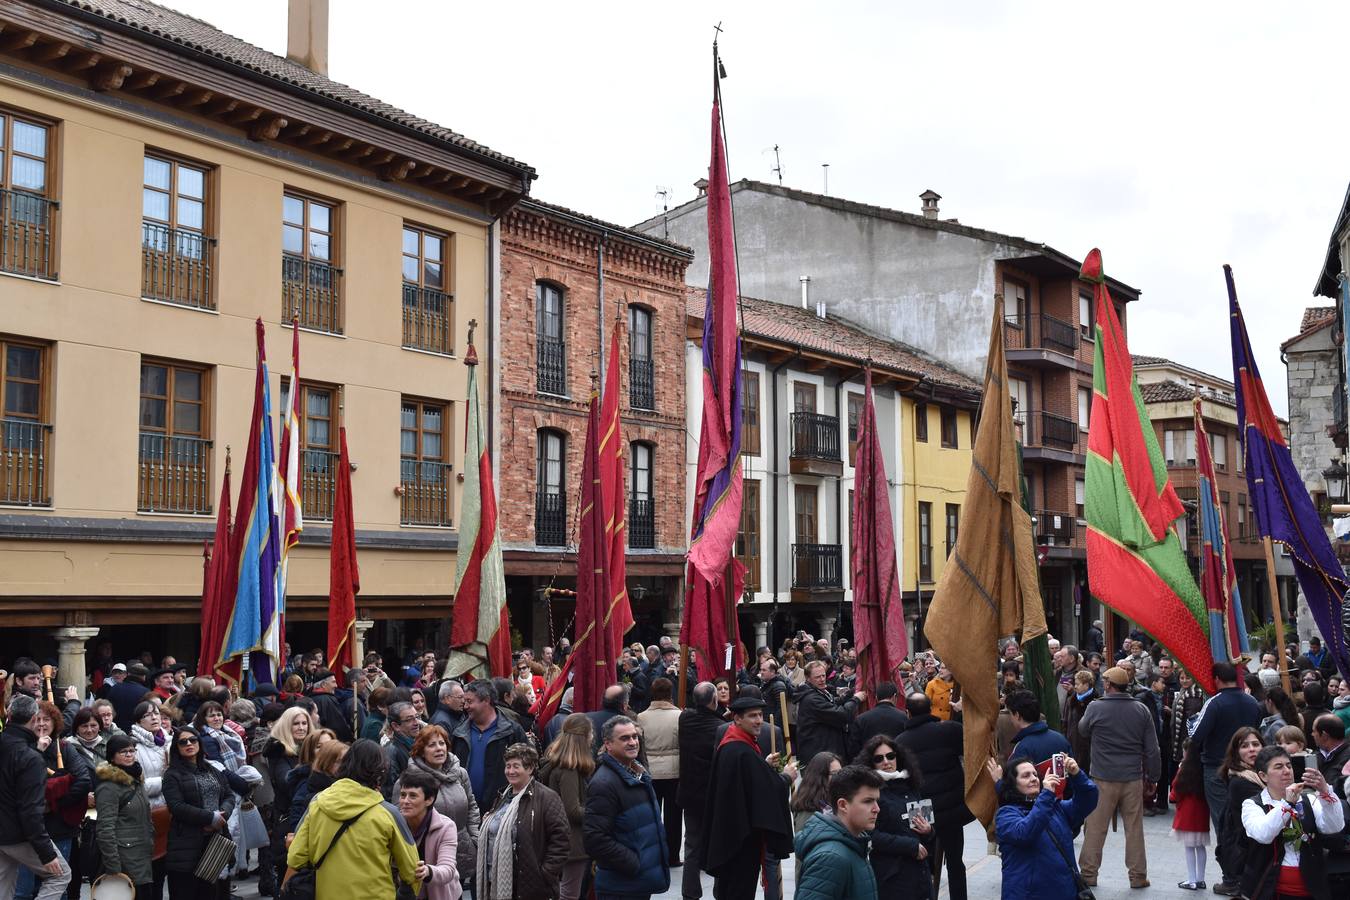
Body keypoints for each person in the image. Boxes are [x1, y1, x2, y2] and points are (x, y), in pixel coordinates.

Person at [284, 738, 421, 899]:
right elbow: (412, 870)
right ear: (380, 772)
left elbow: (296, 857)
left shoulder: (318, 804)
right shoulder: (388, 813)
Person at [1074, 665, 1160, 889]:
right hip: (1132, 777)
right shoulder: (1141, 709)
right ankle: (1138, 876)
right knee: (1134, 829)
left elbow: (1082, 730)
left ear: (1109, 685)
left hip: (1102, 776)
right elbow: (1152, 748)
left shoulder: (1095, 707)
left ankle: (1089, 874)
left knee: (1094, 827)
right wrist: (1154, 777)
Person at [702, 695, 795, 900]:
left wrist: (763, 765)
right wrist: (786, 777)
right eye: (752, 716)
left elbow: (749, 780)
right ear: (737, 719)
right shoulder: (739, 749)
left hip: (733, 836)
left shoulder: (737, 745)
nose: (759, 720)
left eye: (760, 715)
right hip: (740, 841)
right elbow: (764, 790)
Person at [1192, 663, 1264, 896]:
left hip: (1218, 769)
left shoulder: (1214, 703)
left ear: (1217, 679)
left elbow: (1196, 734)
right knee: (1248, 820)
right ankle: (1248, 874)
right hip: (1250, 770)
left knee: (1225, 824)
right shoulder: (1252, 702)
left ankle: (1231, 877)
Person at [1240, 744, 1345, 899]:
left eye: (1289, 765)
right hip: (1271, 889)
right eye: (1278, 767)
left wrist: (1325, 792)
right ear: (1263, 776)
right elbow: (1263, 834)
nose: (1287, 771)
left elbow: (1334, 827)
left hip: (1312, 888)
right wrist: (1287, 804)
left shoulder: (1309, 799)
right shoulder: (1252, 804)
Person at [583, 716, 670, 900]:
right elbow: (594, 839)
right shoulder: (604, 783)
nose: (632, 742)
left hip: (637, 883)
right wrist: (634, 862)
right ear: (608, 744)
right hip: (621, 886)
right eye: (624, 738)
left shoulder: (638, 774)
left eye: (634, 737)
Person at [896, 692, 971, 900]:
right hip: (952, 806)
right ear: (930, 709)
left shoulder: (900, 741)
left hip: (921, 808)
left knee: (924, 860)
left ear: (908, 712)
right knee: (955, 861)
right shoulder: (950, 730)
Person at [992, 754, 1098, 900]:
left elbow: (1088, 801)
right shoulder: (1006, 814)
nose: (1034, 778)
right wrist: (1047, 794)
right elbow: (1025, 833)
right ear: (1013, 784)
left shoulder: (1054, 807)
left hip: (1065, 892)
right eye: (1026, 776)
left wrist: (1077, 775)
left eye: (1035, 774)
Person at [0, 694, 73, 900]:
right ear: (33, 719)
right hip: (18, 834)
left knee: (4, 888)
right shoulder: (30, 758)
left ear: (9, 716)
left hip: (7, 832)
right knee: (60, 875)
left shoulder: (27, 753)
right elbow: (31, 810)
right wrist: (46, 853)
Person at [476, 742, 569, 900]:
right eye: (508, 766)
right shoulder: (502, 796)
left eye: (516, 766)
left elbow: (561, 841)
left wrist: (544, 873)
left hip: (531, 886)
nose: (510, 771)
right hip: (495, 880)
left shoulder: (547, 797)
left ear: (530, 768)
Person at [392, 723, 479, 888]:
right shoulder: (409, 780)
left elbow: (472, 806)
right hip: (425, 855)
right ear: (421, 751)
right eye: (432, 745)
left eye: (442, 743)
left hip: (462, 848)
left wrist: (474, 838)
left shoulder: (460, 773)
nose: (439, 748)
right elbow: (399, 820)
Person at [162, 725, 234, 898]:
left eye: (193, 740)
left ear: (199, 743)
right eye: (183, 742)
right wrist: (210, 818)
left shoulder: (211, 769)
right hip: (187, 842)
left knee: (213, 891)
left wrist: (222, 814)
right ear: (176, 748)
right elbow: (176, 806)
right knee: (187, 891)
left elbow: (229, 795)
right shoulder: (172, 775)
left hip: (216, 838)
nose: (189, 744)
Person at [856, 735, 933, 900]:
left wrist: (929, 830)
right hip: (891, 875)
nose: (886, 761)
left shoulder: (910, 784)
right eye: (879, 758)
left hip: (921, 872)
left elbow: (927, 827)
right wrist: (910, 846)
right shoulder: (871, 791)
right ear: (871, 762)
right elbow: (871, 835)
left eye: (890, 756)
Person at [793, 765, 882, 900]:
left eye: (876, 801)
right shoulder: (831, 858)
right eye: (868, 801)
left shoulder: (854, 844)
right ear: (843, 805)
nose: (877, 809)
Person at [538, 714, 595, 900]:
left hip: (564, 839)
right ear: (584, 737)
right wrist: (599, 812)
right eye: (591, 733)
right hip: (573, 842)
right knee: (569, 893)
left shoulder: (561, 765)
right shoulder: (569, 769)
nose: (593, 737)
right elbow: (572, 810)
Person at [451, 681, 528, 813]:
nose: (466, 706)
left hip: (503, 809)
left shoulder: (512, 732)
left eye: (470, 701)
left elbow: (528, 767)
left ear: (486, 700)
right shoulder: (459, 733)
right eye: (465, 701)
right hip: (467, 811)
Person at [94, 732, 155, 896]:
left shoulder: (136, 778)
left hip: (143, 853)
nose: (129, 754)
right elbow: (105, 829)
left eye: (132, 750)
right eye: (123, 752)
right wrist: (113, 867)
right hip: (124, 858)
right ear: (112, 757)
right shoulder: (109, 787)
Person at [676, 682, 722, 899]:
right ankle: (720, 891)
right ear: (714, 700)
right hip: (712, 795)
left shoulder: (685, 719)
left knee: (692, 846)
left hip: (689, 793)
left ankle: (690, 893)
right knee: (720, 844)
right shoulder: (719, 727)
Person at [635, 676, 682, 867]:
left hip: (649, 770)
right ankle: (672, 856)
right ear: (670, 694)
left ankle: (652, 854)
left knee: (651, 815)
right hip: (674, 770)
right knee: (674, 816)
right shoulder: (679, 716)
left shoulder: (641, 717)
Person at [397, 767, 461, 900]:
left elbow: (448, 869)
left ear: (429, 800)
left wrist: (427, 871)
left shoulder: (446, 827)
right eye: (403, 795)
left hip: (443, 895)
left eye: (413, 795)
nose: (405, 801)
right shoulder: (394, 824)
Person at [1216, 726, 1266, 896]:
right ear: (1236, 752)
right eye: (1244, 746)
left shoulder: (1262, 774)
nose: (1251, 749)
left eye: (1256, 744)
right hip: (1248, 853)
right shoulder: (1241, 781)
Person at [797, 661, 864, 766]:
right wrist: (856, 699)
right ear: (808, 678)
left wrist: (851, 693)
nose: (822, 679)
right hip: (818, 757)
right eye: (817, 677)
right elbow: (841, 715)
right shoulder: (812, 699)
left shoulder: (818, 692)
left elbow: (833, 702)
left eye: (823, 675)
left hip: (825, 752)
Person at [1169, 739, 1212, 891]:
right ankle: (1201, 879)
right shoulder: (1205, 768)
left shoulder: (1184, 768)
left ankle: (1192, 879)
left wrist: (1172, 798)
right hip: (1202, 813)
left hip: (1186, 813)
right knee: (1200, 847)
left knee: (1189, 847)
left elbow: (1176, 788)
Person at [285, 738, 348, 835]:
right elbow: (297, 827)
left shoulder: (347, 785)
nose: (344, 766)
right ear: (326, 762)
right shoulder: (307, 788)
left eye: (346, 761)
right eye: (338, 762)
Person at [849, 681, 909, 758]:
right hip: (894, 762)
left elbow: (854, 748)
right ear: (894, 696)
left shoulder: (861, 719)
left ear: (876, 697)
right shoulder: (903, 717)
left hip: (868, 763)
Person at [792, 752, 843, 833]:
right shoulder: (807, 806)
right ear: (820, 776)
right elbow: (804, 839)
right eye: (834, 773)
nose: (840, 777)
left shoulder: (838, 796)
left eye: (841, 772)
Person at [382, 701, 423, 799]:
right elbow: (390, 792)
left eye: (417, 717)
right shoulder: (392, 751)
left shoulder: (417, 744)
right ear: (396, 726)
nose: (416, 723)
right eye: (409, 720)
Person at [1310, 714, 1350, 798]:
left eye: (1314, 731)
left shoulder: (1347, 757)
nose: (1312, 734)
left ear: (1324, 735)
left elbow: (1334, 784)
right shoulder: (1315, 755)